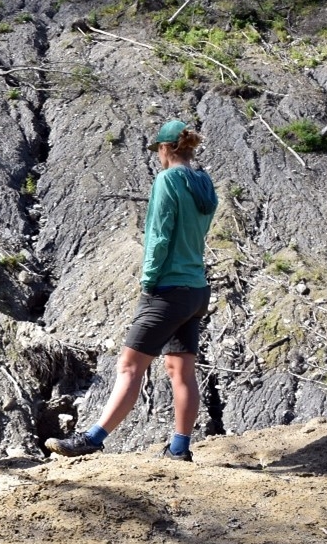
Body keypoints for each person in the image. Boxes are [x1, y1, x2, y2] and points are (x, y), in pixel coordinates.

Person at [46, 120, 218, 461]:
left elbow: (159, 234)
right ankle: (179, 449)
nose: (158, 156)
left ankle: (92, 439)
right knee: (180, 370)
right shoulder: (204, 183)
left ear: (166, 149)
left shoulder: (168, 180)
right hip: (196, 289)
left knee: (129, 366)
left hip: (168, 288)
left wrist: (148, 280)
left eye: (158, 150)